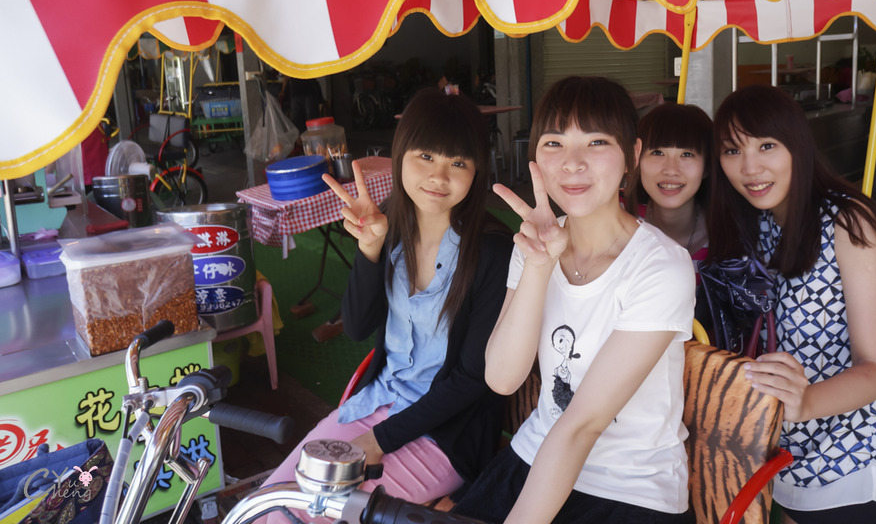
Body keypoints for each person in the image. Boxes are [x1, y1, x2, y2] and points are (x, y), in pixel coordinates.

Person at [260, 88, 513, 519]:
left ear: (476, 171)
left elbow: (473, 379)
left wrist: (379, 441)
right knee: (272, 504)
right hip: (376, 403)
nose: (439, 177)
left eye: (458, 163)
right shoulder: (389, 225)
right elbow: (358, 327)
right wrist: (370, 250)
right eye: (426, 157)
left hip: (445, 434)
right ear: (400, 156)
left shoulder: (492, 251)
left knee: (319, 514)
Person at [454, 75, 696, 524]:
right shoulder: (535, 243)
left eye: (597, 142)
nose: (572, 163)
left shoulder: (661, 267)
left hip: (630, 487)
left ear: (633, 156)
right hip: (536, 452)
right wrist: (539, 266)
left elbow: (584, 424)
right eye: (554, 144)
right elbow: (502, 378)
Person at [706, 84, 876, 524]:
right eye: (733, 150)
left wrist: (805, 403)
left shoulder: (850, 224)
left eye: (767, 146)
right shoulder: (756, 222)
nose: (750, 167)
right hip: (774, 441)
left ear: (798, 145)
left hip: (850, 447)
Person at [623, 102, 712, 262]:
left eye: (687, 154)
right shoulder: (615, 212)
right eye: (657, 153)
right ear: (637, 159)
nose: (671, 170)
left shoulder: (733, 232)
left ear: (707, 167)